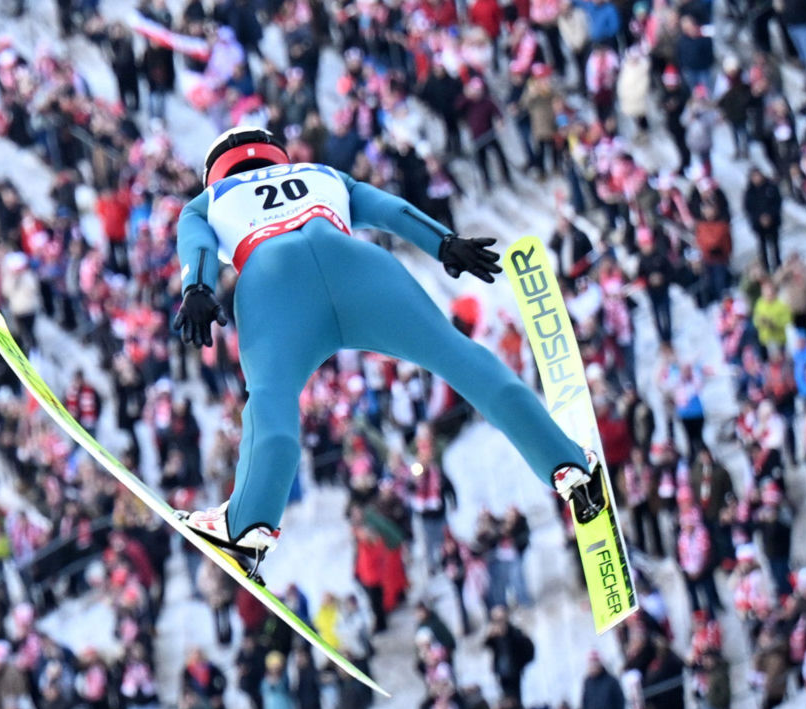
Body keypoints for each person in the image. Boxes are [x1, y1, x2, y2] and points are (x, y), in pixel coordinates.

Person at [173, 127, 605, 576]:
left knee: (271, 402)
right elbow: (391, 210)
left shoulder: (209, 199)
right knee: (459, 357)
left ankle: (250, 522)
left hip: (274, 283)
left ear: (215, 172)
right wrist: (445, 243)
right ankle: (566, 465)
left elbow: (197, 243)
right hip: (360, 271)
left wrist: (197, 287)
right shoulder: (321, 173)